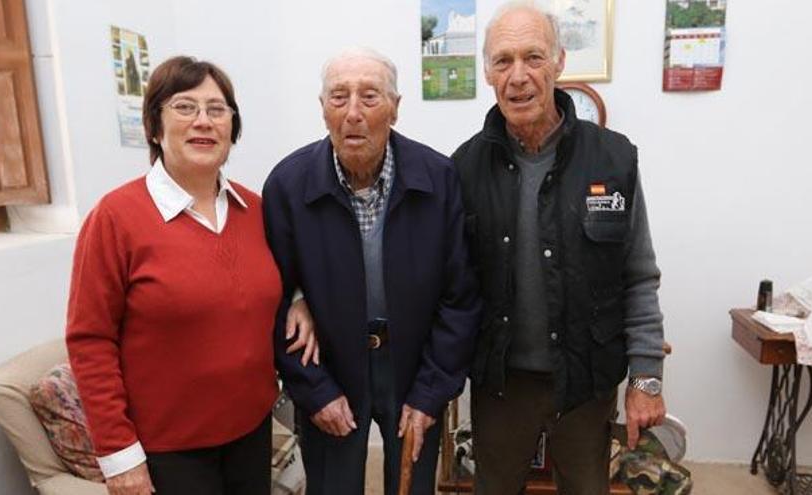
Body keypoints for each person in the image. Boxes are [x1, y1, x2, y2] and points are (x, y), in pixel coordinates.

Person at [65, 56, 314, 495]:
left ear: (232, 129)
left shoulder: (256, 210)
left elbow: (282, 277)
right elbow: (90, 341)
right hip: (168, 450)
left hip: (250, 432)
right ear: (154, 126)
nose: (203, 121)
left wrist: (300, 301)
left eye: (217, 110)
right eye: (184, 107)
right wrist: (120, 458)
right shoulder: (115, 218)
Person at [451, 3, 667, 494]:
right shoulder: (462, 168)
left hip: (586, 379)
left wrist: (646, 377)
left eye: (533, 57)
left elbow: (638, 274)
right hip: (501, 384)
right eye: (503, 61)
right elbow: (450, 286)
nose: (518, 76)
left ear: (560, 62)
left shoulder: (613, 159)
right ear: (487, 72)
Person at [263, 48, 481, 495]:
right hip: (332, 365)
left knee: (413, 484)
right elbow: (271, 301)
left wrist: (430, 392)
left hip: (413, 363)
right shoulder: (287, 185)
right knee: (333, 485)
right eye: (339, 98)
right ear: (322, 109)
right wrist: (314, 389)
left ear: (396, 108)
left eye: (370, 96)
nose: (354, 113)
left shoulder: (438, 178)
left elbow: (460, 296)